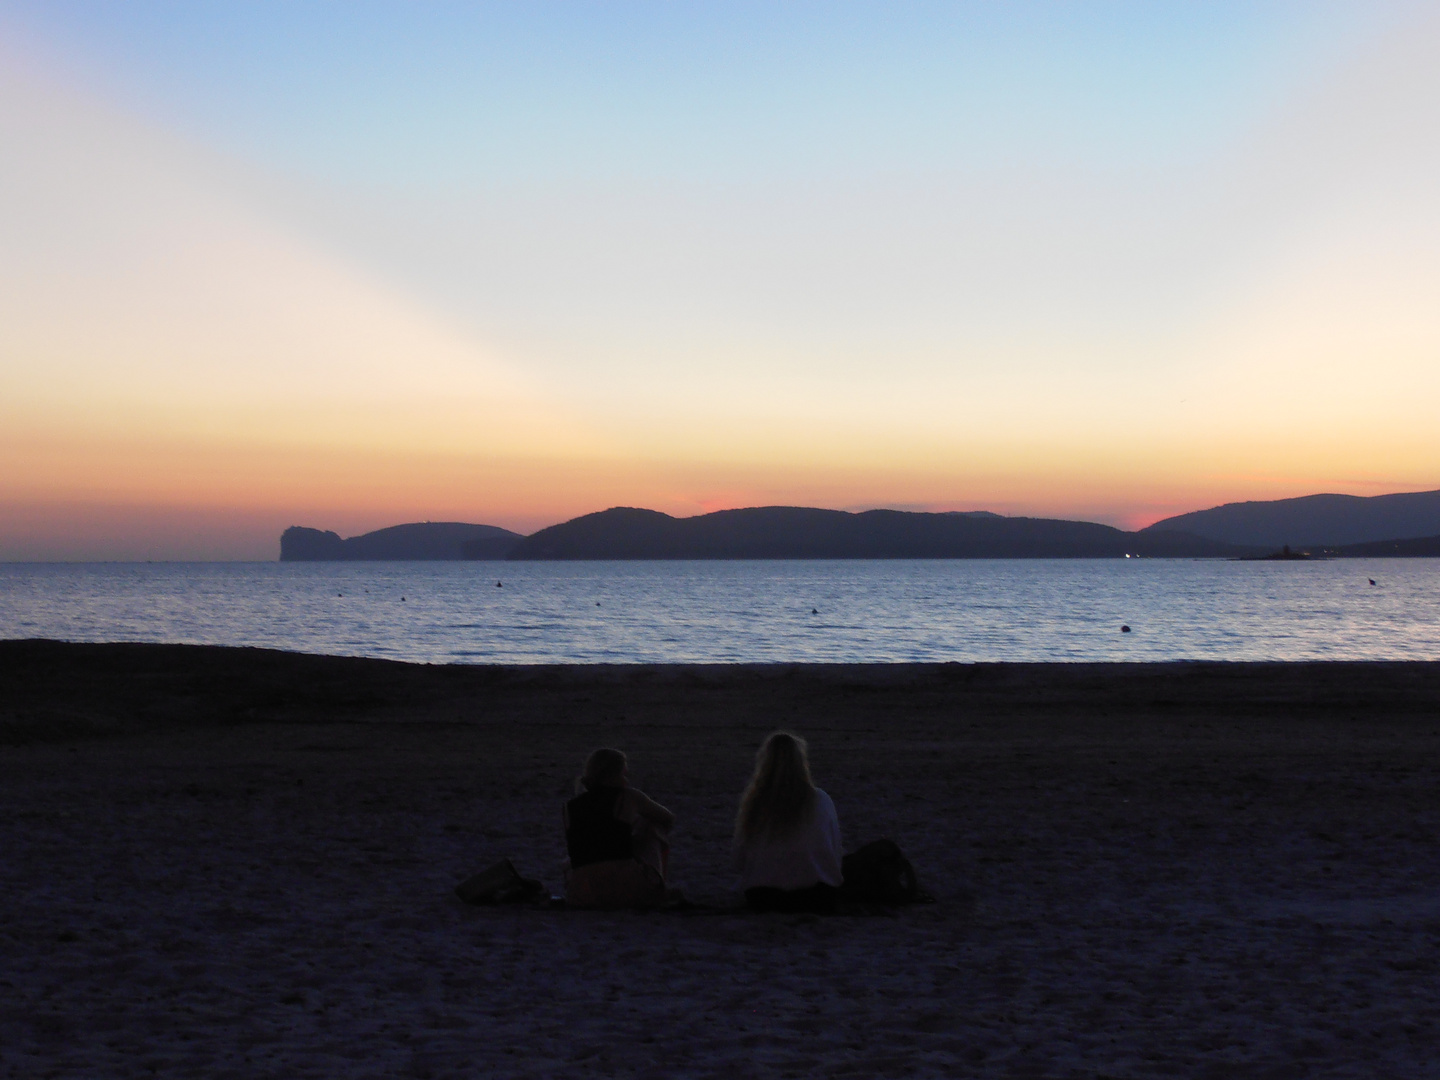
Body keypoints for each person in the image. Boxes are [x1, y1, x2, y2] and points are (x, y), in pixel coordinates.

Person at [733, 730, 843, 912]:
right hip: (815, 896)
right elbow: (834, 854)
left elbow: (737, 862)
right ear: (802, 763)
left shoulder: (755, 804)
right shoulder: (821, 800)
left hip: (762, 897)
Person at [563, 748, 675, 909]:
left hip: (581, 892)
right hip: (624, 887)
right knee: (652, 826)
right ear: (614, 775)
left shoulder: (568, 807)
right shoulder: (628, 797)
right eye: (624, 774)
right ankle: (659, 887)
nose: (626, 780)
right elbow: (667, 819)